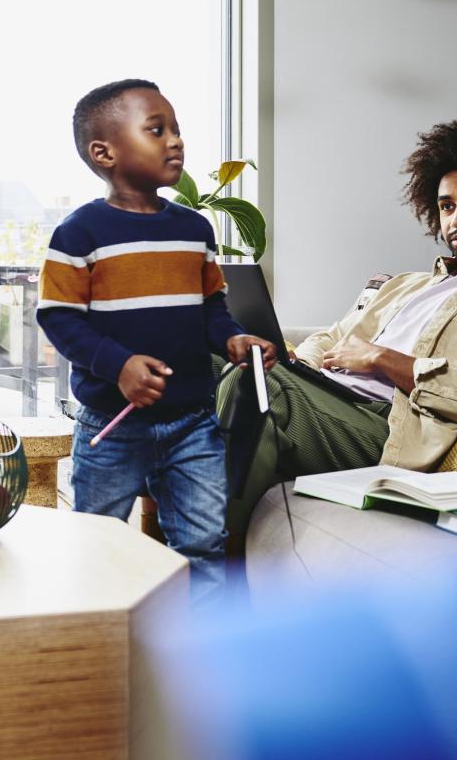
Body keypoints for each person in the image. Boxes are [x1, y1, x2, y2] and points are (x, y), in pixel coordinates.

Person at [37, 78, 276, 604]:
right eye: (156, 129)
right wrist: (119, 366)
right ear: (105, 153)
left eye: (176, 129)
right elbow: (59, 319)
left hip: (194, 423)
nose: (176, 141)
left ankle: (201, 656)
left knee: (204, 544)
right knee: (98, 543)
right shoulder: (78, 234)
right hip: (111, 427)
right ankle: (101, 647)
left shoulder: (195, 230)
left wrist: (233, 339)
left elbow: (211, 308)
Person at [225, 120, 457, 538]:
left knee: (262, 386)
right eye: (446, 206)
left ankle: (212, 566)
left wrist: (384, 359)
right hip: (328, 396)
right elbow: (332, 337)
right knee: (223, 359)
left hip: (384, 427)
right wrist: (299, 360)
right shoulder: (404, 285)